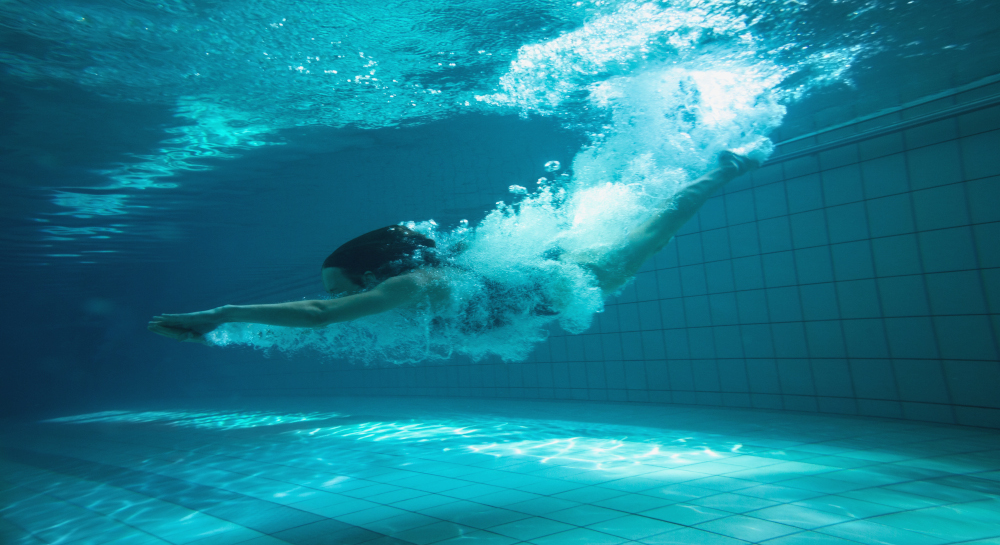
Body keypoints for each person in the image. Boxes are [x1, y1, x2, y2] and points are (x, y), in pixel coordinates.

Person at [148, 151, 758, 343]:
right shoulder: (397, 291)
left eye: (340, 283)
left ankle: (719, 171)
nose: (335, 293)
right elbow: (318, 311)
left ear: (370, 274)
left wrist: (222, 316)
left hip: (562, 281)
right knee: (641, 239)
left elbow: (319, 314)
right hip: (533, 293)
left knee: (651, 233)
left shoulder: (413, 285)